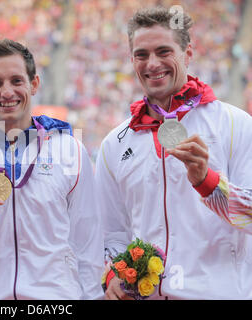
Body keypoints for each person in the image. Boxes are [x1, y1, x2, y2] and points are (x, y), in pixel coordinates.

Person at [96, 7, 252, 300]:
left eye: (163, 51)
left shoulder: (236, 125)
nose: (152, 64)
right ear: (132, 61)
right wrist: (113, 273)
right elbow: (112, 233)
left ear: (188, 53)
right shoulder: (114, 144)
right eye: (141, 55)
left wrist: (207, 181)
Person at [0, 39, 104, 299]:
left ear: (34, 84)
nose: (6, 92)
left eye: (16, 81)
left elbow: (88, 245)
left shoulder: (71, 151)